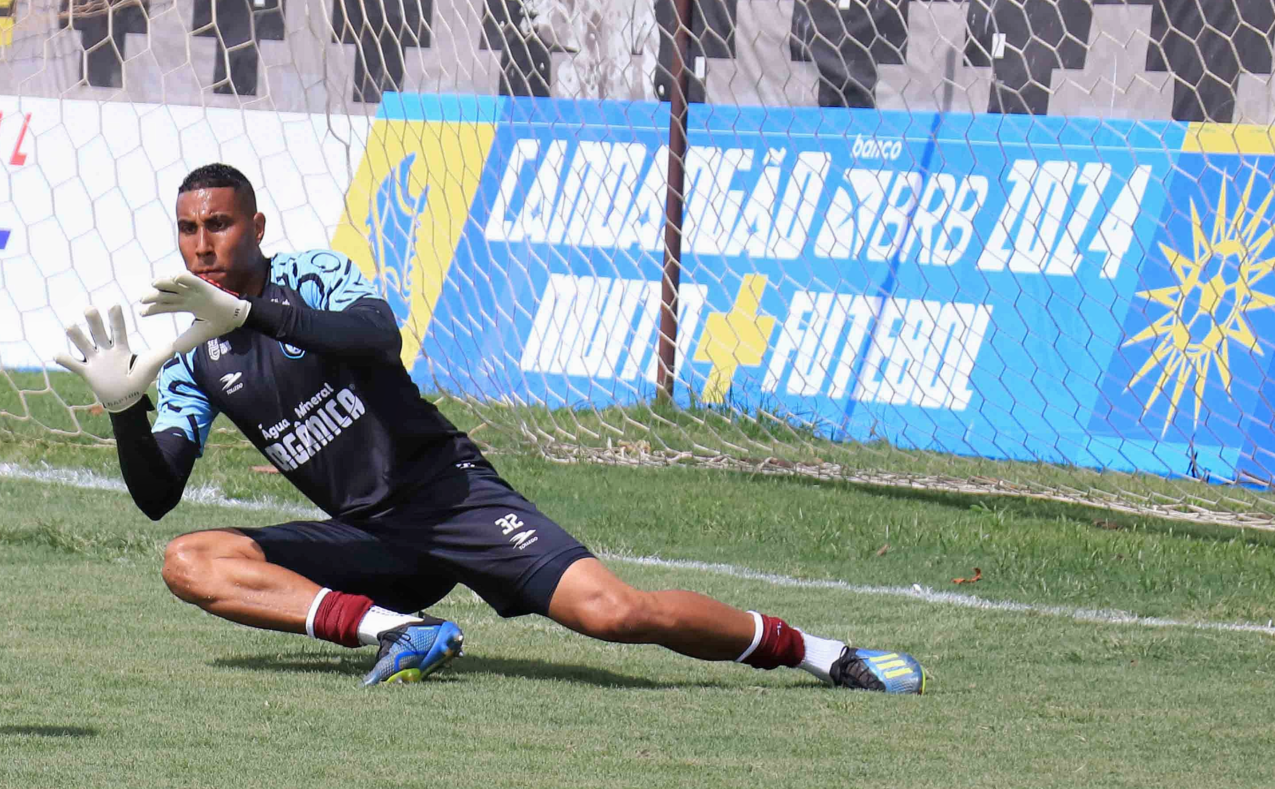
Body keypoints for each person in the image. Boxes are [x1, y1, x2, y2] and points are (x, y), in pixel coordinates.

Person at [55, 163, 926, 691]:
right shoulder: (196, 355)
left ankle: (824, 654)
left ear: (256, 227)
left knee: (614, 612)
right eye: (188, 230)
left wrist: (254, 312)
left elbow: (376, 338)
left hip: (451, 500)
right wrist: (126, 408)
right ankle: (397, 631)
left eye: (219, 224)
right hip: (370, 542)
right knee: (191, 561)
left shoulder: (310, 277)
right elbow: (157, 494)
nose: (202, 243)